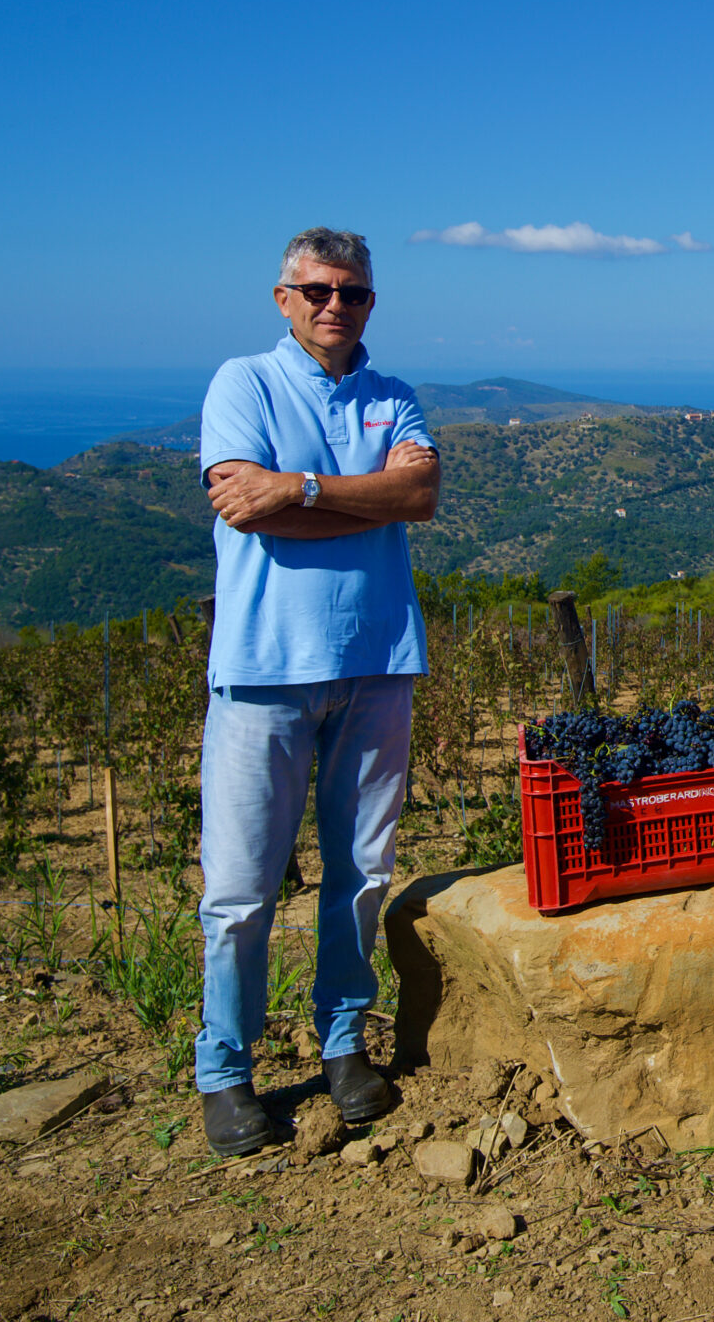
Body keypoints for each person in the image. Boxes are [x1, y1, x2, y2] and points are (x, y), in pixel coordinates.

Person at [193, 227, 442, 1156]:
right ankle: (226, 1069)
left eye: (355, 292)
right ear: (282, 296)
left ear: (372, 300)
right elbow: (246, 511)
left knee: (362, 875)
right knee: (242, 887)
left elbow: (419, 498)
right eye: (318, 290)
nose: (336, 305)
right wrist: (356, 494)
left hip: (377, 662)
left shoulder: (396, 395)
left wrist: (295, 486)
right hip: (262, 671)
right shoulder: (241, 383)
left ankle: (343, 1044)